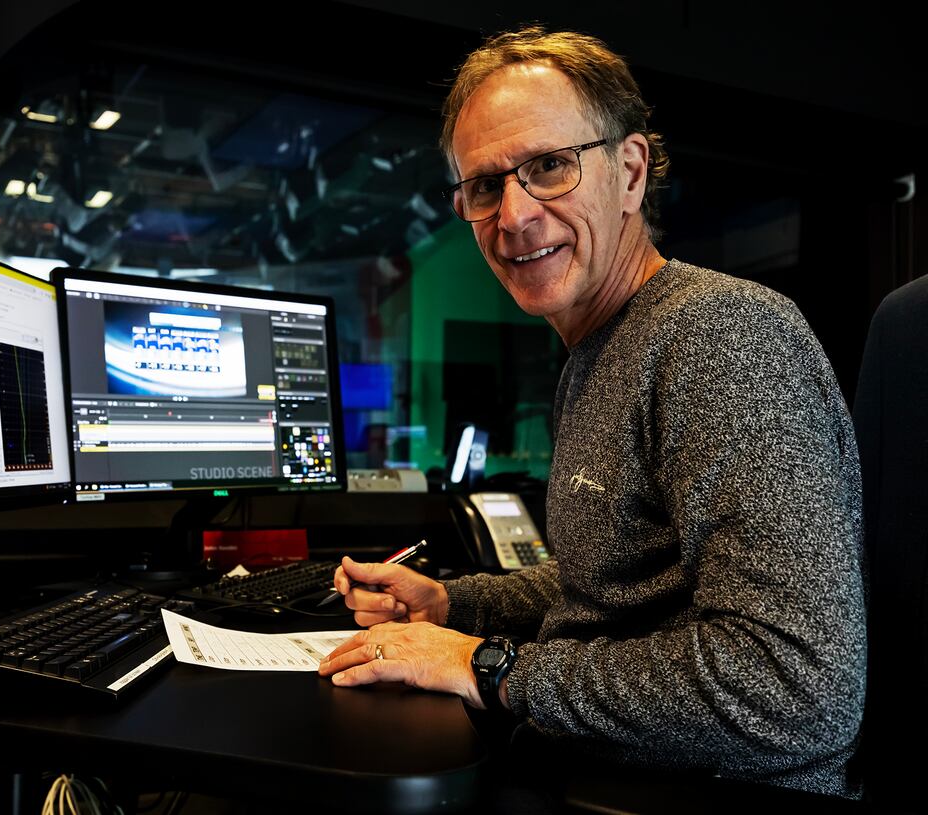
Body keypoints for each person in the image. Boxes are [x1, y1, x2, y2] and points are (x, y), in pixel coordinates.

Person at [318, 26, 865, 799]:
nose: (513, 217)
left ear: (631, 171)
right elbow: (609, 586)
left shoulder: (721, 335)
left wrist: (491, 667)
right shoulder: (596, 352)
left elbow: (796, 689)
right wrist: (453, 602)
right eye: (484, 186)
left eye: (548, 166)